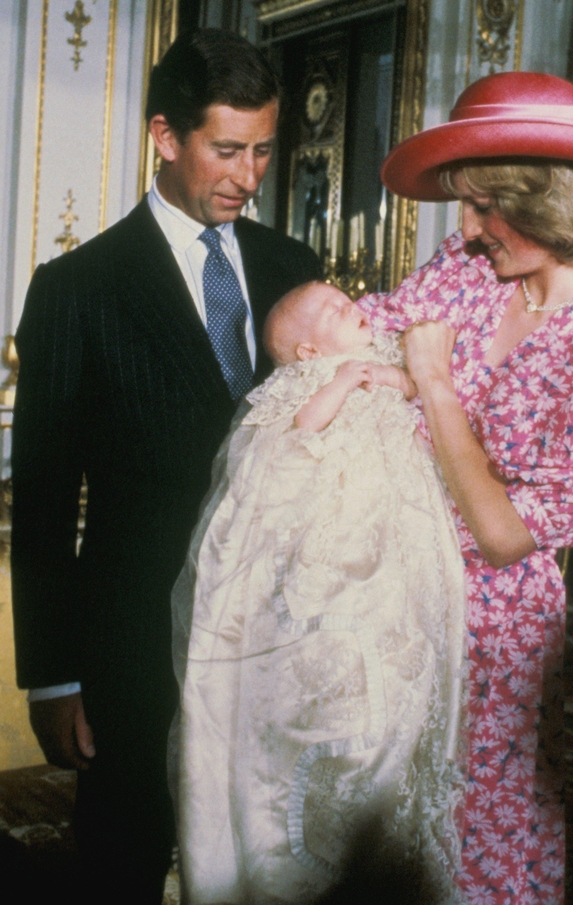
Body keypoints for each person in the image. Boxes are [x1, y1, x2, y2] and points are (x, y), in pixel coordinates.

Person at [358, 71, 573, 905]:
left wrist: (428, 382)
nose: (465, 226)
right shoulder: (472, 268)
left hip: (490, 630)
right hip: (384, 587)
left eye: (484, 205)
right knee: (369, 828)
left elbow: (505, 534)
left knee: (476, 839)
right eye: (463, 204)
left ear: (552, 202)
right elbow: (362, 339)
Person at [11, 28, 321, 904]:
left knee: (269, 850)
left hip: (275, 633)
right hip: (133, 643)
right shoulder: (77, 290)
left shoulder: (294, 269)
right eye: (226, 149)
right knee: (126, 847)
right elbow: (40, 502)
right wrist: (54, 674)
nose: (248, 175)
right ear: (164, 137)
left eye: (263, 150)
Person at [171, 281, 466, 904]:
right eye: (334, 311)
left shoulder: (379, 357)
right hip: (331, 531)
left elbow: (416, 386)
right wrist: (344, 379)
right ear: (307, 351)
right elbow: (300, 430)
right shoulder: (304, 383)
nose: (352, 306)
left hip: (393, 523)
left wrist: (389, 379)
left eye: (346, 300)